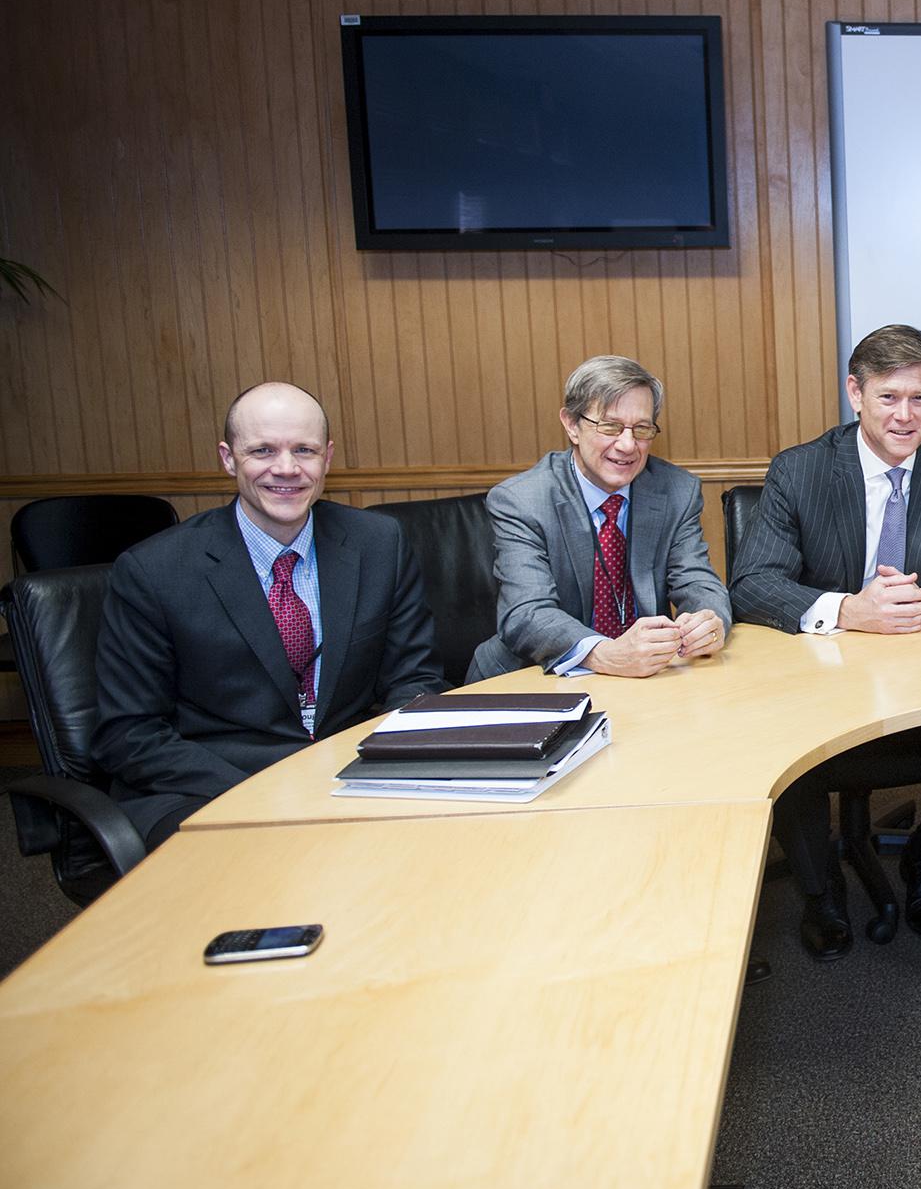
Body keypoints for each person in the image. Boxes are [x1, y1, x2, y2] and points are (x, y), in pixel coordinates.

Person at [731, 324, 921, 961]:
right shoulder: (801, 469)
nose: (905, 415)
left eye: (920, 399)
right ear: (854, 394)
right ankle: (820, 889)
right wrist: (849, 610)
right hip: (822, 680)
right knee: (787, 750)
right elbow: (752, 583)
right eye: (889, 397)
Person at [93, 382, 448, 848]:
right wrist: (270, 791)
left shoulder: (379, 543)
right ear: (227, 458)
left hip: (352, 775)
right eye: (263, 450)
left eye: (304, 450)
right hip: (209, 787)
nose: (287, 468)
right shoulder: (154, 570)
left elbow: (414, 677)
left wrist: (388, 764)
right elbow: (129, 734)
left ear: (328, 458)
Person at [469, 355, 730, 681]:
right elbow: (527, 612)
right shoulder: (522, 500)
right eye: (610, 426)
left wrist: (708, 619)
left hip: (647, 681)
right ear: (571, 424)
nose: (627, 445)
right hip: (532, 679)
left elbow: (697, 581)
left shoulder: (676, 490)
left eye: (642, 429)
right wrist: (605, 653)